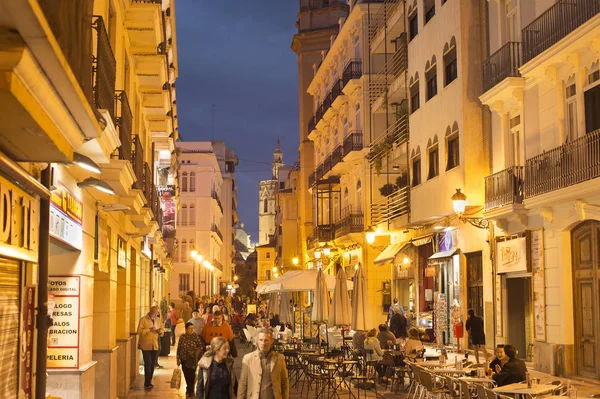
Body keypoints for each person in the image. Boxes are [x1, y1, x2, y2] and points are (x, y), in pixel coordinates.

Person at [238, 329, 289, 399]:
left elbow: (284, 381)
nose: (263, 343)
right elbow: (243, 382)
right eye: (261, 340)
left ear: (271, 342)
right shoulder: (248, 358)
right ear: (257, 342)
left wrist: (285, 397)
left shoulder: (280, 358)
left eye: (266, 340)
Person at [136, 306, 164, 389]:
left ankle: (149, 380)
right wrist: (149, 330)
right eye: (155, 313)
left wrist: (160, 332)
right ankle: (147, 382)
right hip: (145, 345)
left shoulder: (158, 320)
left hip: (154, 345)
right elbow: (139, 331)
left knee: (152, 364)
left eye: (157, 313)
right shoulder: (143, 320)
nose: (156, 315)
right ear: (151, 312)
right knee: (147, 363)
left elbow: (162, 331)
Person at [177, 322, 205, 398]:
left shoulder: (195, 336)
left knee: (192, 375)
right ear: (186, 329)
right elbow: (179, 347)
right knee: (186, 374)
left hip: (192, 359)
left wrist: (195, 352)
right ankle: (189, 388)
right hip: (184, 358)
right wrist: (178, 358)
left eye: (193, 328)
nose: (192, 330)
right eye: (190, 328)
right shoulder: (182, 337)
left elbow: (201, 347)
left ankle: (190, 390)